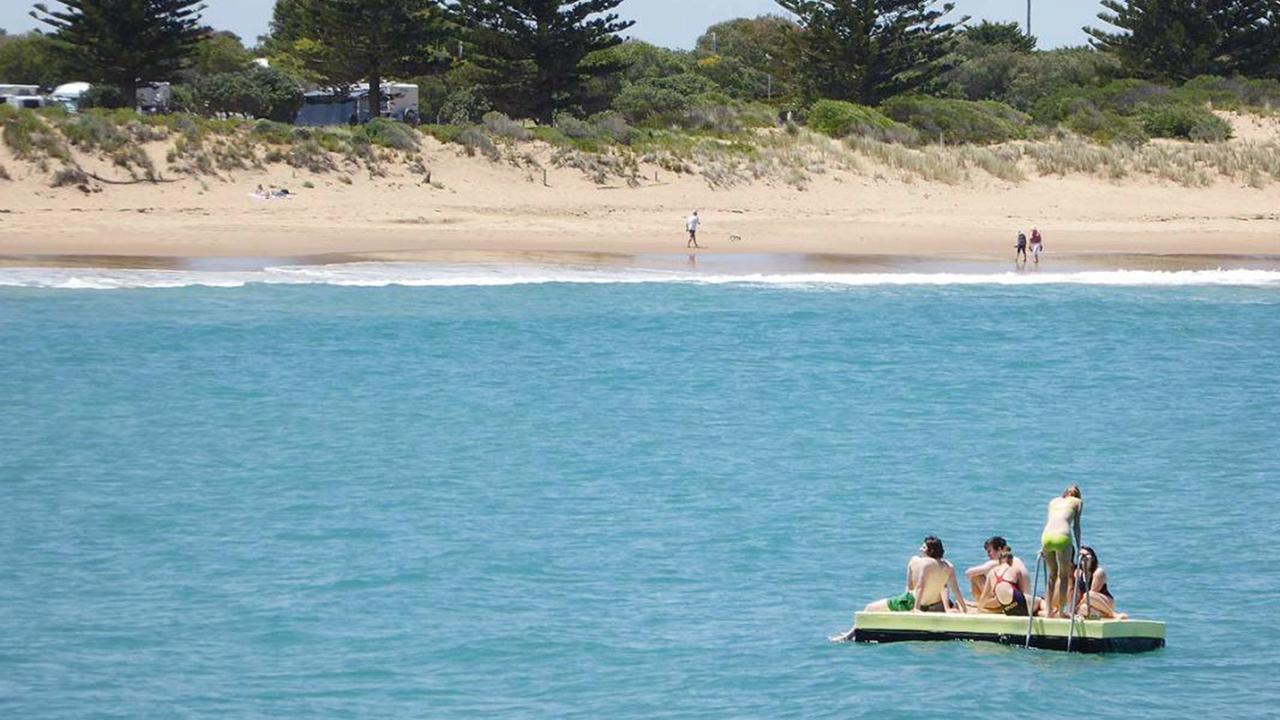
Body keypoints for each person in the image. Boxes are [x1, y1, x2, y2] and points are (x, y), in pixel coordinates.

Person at [831, 536, 967, 642]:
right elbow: (955, 589)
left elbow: (920, 586)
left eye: (923, 547)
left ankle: (849, 635)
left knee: (869, 608)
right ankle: (849, 633)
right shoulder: (949, 566)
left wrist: (916, 608)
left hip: (909, 601)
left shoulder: (926, 563)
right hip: (933, 605)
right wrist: (964, 609)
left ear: (930, 551)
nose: (920, 548)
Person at [1041, 485, 1083, 618]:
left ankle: (1048, 611)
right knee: (1064, 576)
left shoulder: (1053, 501)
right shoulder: (1077, 502)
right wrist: (1079, 546)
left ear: (1064, 494)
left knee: (1052, 575)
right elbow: (1076, 526)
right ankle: (1060, 612)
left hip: (1046, 537)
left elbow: (1050, 521)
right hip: (1062, 536)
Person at [965, 536, 1029, 606]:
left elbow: (968, 573)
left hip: (1012, 602)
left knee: (976, 577)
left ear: (999, 549)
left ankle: (980, 604)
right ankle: (982, 604)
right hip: (1024, 600)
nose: (988, 555)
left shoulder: (999, 562)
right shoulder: (1015, 559)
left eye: (989, 551)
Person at [1074, 546, 1127, 620]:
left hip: (1104, 602)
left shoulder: (1098, 572)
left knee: (1088, 595)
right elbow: (1078, 593)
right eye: (1081, 555)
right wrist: (1076, 609)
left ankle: (1113, 614)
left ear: (1093, 557)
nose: (1084, 556)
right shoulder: (1078, 573)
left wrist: (1078, 605)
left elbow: (1093, 593)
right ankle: (1105, 615)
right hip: (1087, 602)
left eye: (1087, 554)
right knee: (1083, 608)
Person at [976, 547, 1032, 616]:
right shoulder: (1014, 569)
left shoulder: (991, 573)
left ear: (999, 561)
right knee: (1040, 602)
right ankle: (1046, 614)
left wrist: (978, 611)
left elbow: (984, 596)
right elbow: (1023, 593)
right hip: (1019, 602)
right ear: (1011, 561)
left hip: (1007, 608)